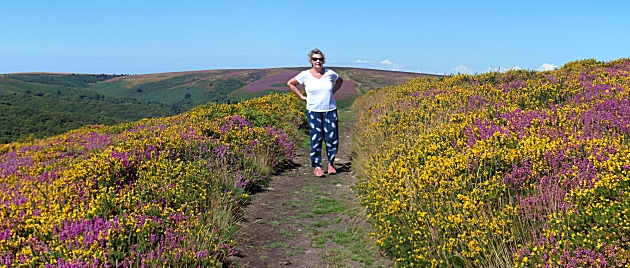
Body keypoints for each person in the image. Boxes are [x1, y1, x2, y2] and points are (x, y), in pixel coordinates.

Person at [287, 48, 344, 177]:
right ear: (311, 61)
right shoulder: (304, 75)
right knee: (316, 138)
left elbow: (340, 81)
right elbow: (291, 83)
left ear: (323, 60)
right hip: (313, 111)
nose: (317, 61)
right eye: (315, 59)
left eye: (320, 59)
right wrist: (301, 97)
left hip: (330, 110)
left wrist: (332, 92)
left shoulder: (330, 73)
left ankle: (330, 164)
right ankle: (317, 166)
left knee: (332, 138)